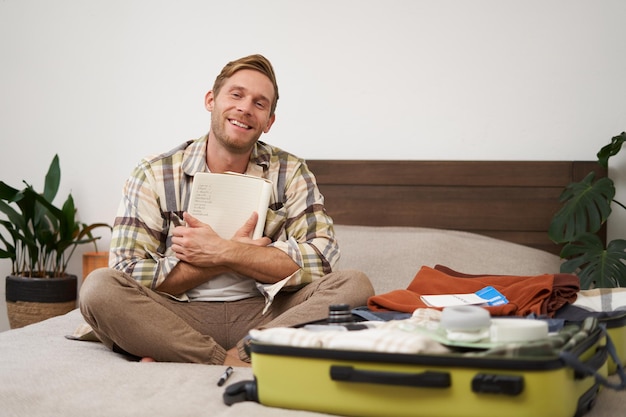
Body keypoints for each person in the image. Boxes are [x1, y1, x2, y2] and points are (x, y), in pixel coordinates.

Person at [79, 54, 374, 366]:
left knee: (355, 285)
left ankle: (200, 354)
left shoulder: (290, 170)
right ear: (211, 100)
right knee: (99, 288)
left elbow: (323, 258)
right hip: (176, 316)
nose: (245, 108)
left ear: (269, 122)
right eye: (236, 94)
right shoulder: (155, 172)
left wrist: (223, 251)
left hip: (266, 314)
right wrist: (228, 258)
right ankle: (228, 360)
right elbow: (127, 270)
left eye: (260, 104)